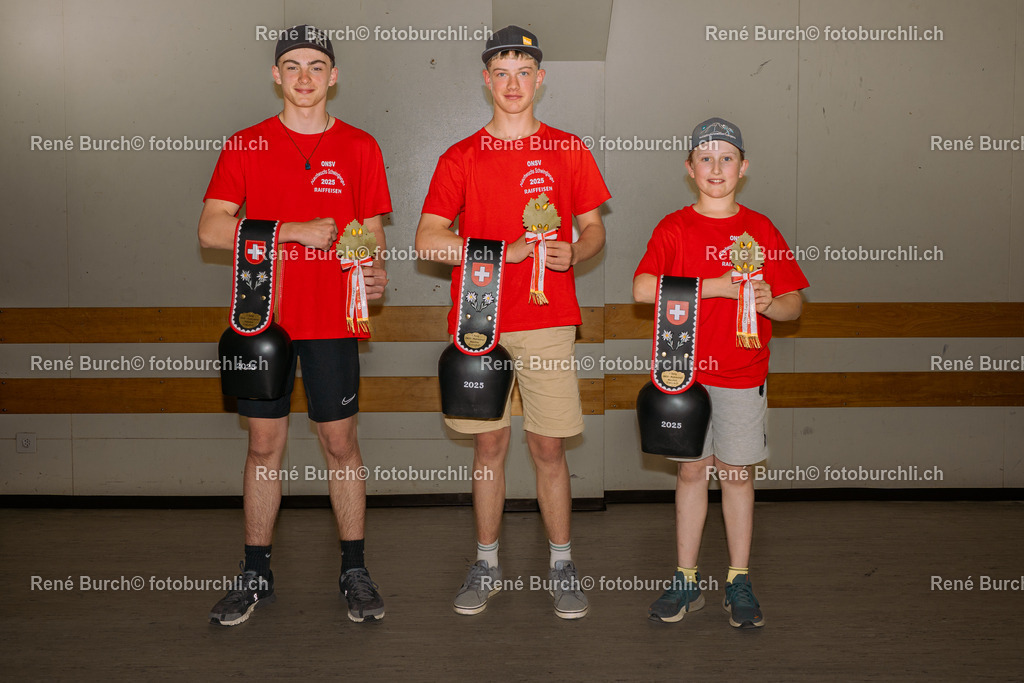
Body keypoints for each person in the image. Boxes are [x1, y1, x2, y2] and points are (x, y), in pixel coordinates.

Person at [197, 25, 392, 625]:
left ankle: (354, 569)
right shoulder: (245, 145)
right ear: (275, 75)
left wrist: (376, 274)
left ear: (333, 76)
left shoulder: (361, 147)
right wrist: (294, 233)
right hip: (264, 326)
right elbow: (210, 229)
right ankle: (255, 573)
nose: (304, 77)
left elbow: (372, 238)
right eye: (291, 65)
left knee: (341, 445)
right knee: (264, 448)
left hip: (333, 321)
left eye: (316, 66)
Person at [415, 25, 610, 619]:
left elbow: (595, 228)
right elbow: (427, 241)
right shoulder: (460, 156)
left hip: (548, 319)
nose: (513, 83)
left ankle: (561, 562)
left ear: (540, 79)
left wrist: (575, 251)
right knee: (490, 447)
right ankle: (487, 562)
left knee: (548, 446)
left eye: (524, 72)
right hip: (479, 322)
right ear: (486, 81)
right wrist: (505, 252)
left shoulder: (569, 150)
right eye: (501, 72)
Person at [633, 117, 808, 628]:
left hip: (740, 373)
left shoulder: (762, 228)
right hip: (682, 376)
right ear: (689, 169)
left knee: (736, 475)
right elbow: (643, 289)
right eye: (705, 158)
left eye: (726, 158)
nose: (716, 167)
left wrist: (769, 301)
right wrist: (720, 286)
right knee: (691, 472)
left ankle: (738, 579)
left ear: (743, 168)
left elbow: (794, 305)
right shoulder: (673, 227)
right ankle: (686, 580)